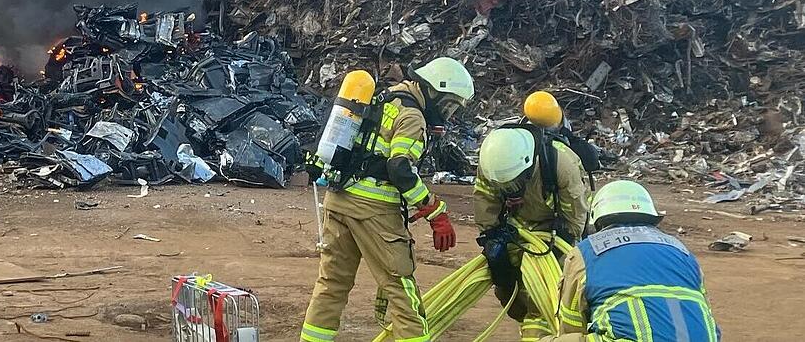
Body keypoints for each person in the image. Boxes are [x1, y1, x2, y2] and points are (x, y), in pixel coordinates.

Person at [301, 57, 474, 342]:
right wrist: (434, 210)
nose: (448, 114)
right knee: (401, 290)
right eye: (448, 105)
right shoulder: (412, 116)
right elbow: (399, 168)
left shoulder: (383, 99)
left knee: (331, 284)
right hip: (374, 212)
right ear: (433, 91)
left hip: (338, 201)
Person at [541, 180, 721, 341]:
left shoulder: (586, 252)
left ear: (599, 219)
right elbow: (704, 311)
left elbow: (571, 319)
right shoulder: (682, 251)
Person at [474, 126, 590, 342]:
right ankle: (528, 319)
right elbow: (485, 199)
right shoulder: (492, 163)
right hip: (518, 226)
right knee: (508, 289)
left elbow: (574, 220)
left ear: (528, 167)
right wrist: (491, 237)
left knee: (548, 292)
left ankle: (543, 332)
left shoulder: (562, 164)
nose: (509, 189)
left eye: (514, 183)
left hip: (557, 228)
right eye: (504, 186)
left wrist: (554, 252)